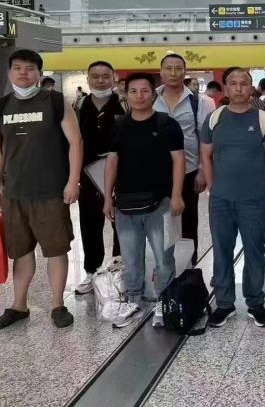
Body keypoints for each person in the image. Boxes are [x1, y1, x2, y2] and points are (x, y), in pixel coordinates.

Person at [0, 50, 82, 331]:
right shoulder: (3, 105)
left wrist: (72, 181)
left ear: (39, 73)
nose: (23, 73)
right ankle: (19, 306)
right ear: (9, 73)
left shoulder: (54, 101)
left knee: (55, 249)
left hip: (50, 191)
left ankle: (58, 305)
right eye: (17, 68)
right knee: (20, 251)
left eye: (30, 68)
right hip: (15, 192)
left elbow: (76, 142)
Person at [103, 73, 185, 328]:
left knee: (163, 258)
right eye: (134, 91)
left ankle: (164, 301)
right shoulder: (119, 125)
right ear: (126, 95)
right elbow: (112, 162)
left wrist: (177, 195)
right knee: (131, 259)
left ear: (153, 94)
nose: (139, 96)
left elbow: (178, 160)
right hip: (125, 204)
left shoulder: (167, 124)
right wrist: (107, 198)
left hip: (160, 203)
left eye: (145, 91)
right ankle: (133, 301)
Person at [200, 67, 265, 328]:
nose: (238, 88)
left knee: (255, 251)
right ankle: (224, 304)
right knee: (221, 250)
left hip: (254, 199)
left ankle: (255, 303)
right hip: (221, 200)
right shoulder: (214, 118)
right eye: (233, 83)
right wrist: (213, 188)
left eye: (243, 83)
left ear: (251, 87)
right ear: (225, 88)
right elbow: (206, 156)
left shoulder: (263, 119)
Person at [74, 61, 126, 296]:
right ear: (88, 79)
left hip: (120, 175)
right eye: (95, 76)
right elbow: (73, 143)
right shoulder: (79, 106)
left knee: (121, 224)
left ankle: (120, 268)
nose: (101, 81)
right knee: (89, 224)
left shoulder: (124, 104)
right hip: (88, 176)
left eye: (106, 76)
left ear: (113, 79)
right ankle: (92, 271)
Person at [155, 54, 213, 266]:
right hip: (156, 173)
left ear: (185, 72)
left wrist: (202, 170)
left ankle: (189, 271)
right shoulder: (151, 98)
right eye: (168, 68)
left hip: (189, 171)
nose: (173, 73)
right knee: (157, 225)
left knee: (188, 223)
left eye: (178, 68)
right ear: (161, 72)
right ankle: (161, 270)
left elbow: (206, 138)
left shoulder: (200, 102)